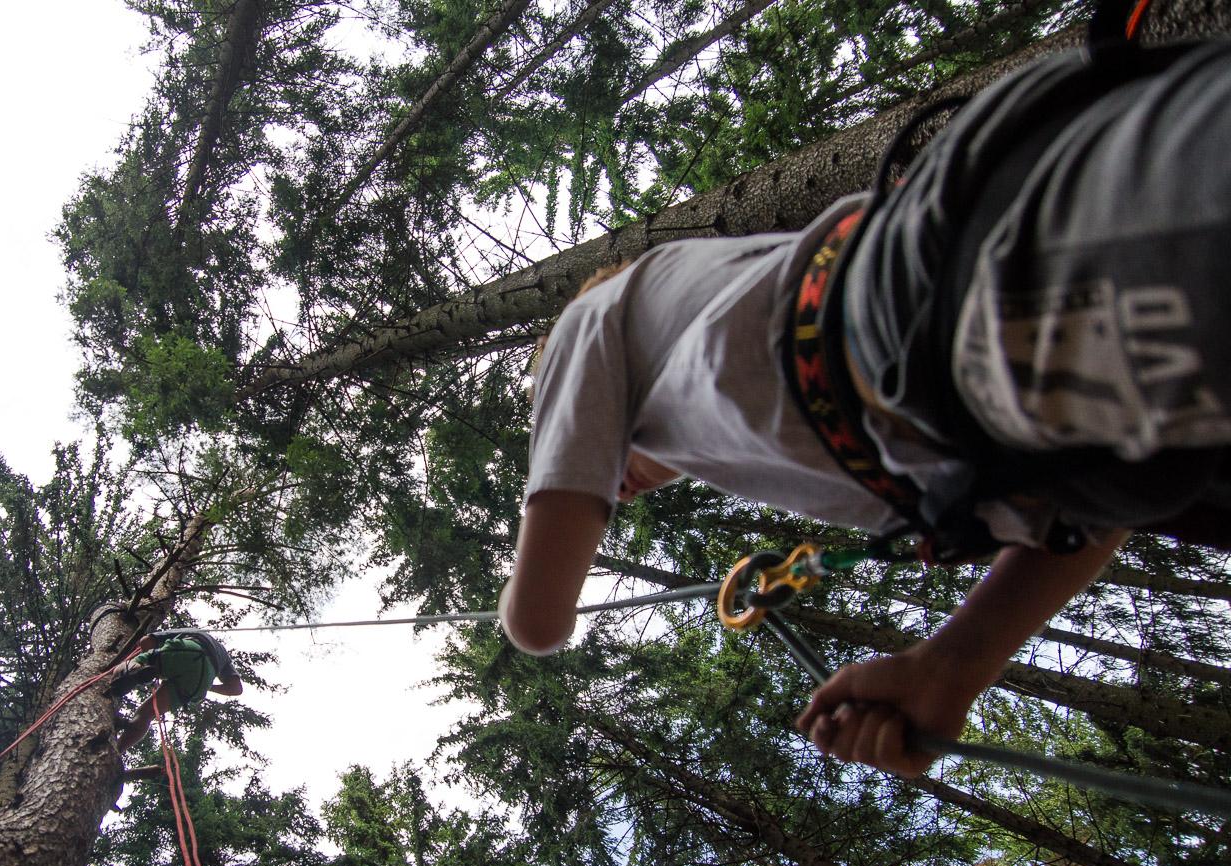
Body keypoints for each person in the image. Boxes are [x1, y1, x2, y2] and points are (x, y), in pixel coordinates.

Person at [499, 37, 1231, 779]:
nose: (615, 484)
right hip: (1030, 432)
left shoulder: (589, 324)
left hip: (942, 301)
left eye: (553, 424)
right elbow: (1079, 522)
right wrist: (951, 664)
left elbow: (538, 620)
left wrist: (510, 602)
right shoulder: (739, 409)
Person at [109, 631, 243, 751]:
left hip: (188, 650)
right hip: (201, 680)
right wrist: (208, 686)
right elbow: (236, 688)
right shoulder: (224, 656)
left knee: (135, 662)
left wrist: (151, 662)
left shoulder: (194, 631)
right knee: (146, 714)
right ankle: (117, 751)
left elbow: (146, 640)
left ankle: (133, 670)